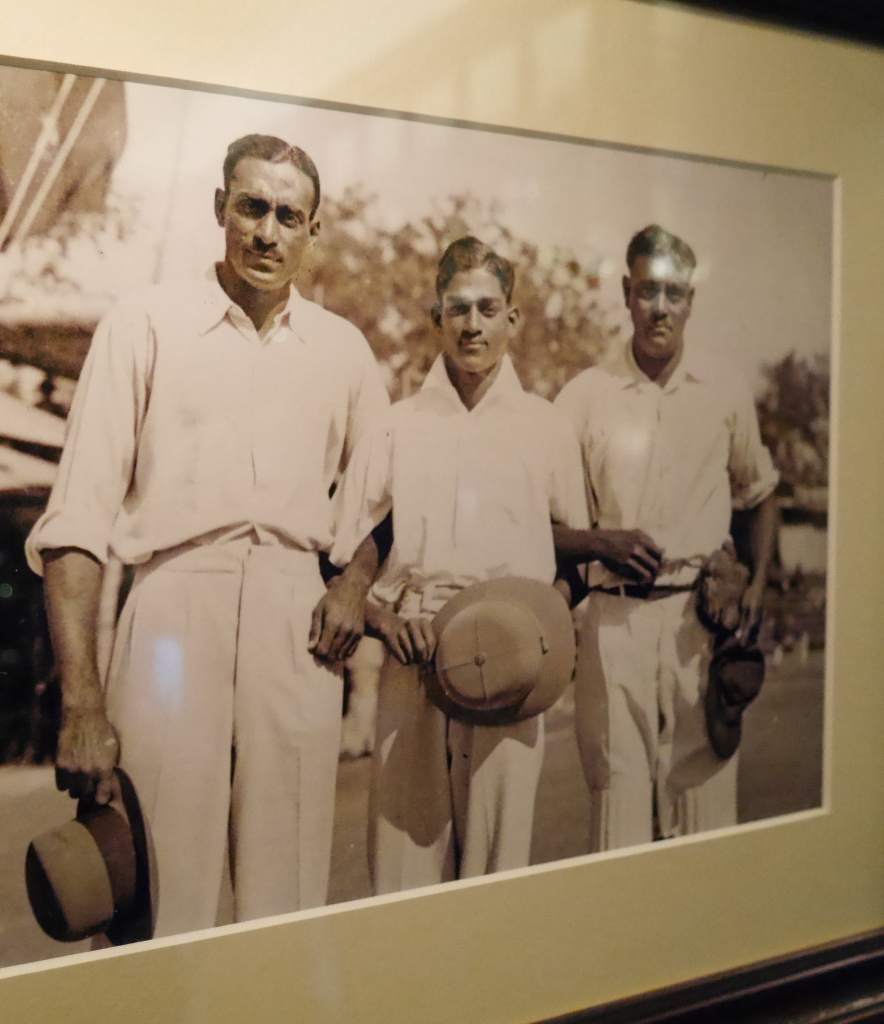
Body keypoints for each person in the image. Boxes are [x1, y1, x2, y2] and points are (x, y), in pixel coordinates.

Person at [26, 133, 389, 937]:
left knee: (287, 900)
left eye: (289, 216)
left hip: (300, 625)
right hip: (172, 612)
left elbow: (374, 511)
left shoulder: (344, 352)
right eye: (252, 207)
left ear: (313, 230)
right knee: (156, 893)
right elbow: (76, 524)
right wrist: (81, 702)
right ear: (219, 208)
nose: (267, 233)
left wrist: (353, 585)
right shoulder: (143, 323)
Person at [320, 236, 588, 892]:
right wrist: (382, 618)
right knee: (402, 864)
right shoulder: (396, 427)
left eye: (489, 309)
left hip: (513, 663)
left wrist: (536, 633)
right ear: (435, 317)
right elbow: (339, 555)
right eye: (458, 308)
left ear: (512, 319)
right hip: (414, 660)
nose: (473, 325)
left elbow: (577, 556)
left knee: (498, 869)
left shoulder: (546, 427)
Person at [553, 224, 779, 852]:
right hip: (614, 621)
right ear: (626, 292)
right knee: (618, 810)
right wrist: (601, 543)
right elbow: (543, 525)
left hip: (700, 623)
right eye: (647, 290)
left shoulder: (725, 390)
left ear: (690, 300)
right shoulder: (584, 397)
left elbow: (760, 495)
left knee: (706, 807)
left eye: (674, 293)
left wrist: (756, 586)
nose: (660, 307)